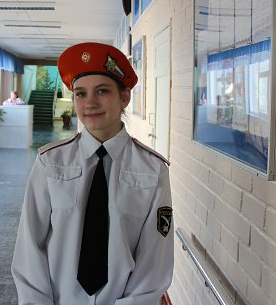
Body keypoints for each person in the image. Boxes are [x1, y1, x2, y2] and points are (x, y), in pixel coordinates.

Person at [11, 42, 173, 304]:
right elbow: (29, 244)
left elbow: (156, 257)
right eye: (80, 93)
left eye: (102, 91)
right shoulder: (50, 163)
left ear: (124, 97)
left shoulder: (152, 170)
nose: (90, 103)